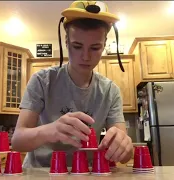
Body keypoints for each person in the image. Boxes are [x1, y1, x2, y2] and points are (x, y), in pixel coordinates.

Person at [12, 0, 133, 168]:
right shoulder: (41, 80)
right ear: (67, 43)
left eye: (95, 48)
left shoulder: (110, 91)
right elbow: (17, 141)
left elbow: (126, 156)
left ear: (104, 46)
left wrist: (124, 146)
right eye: (77, 46)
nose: (85, 56)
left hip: (86, 172)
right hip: (40, 173)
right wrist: (50, 130)